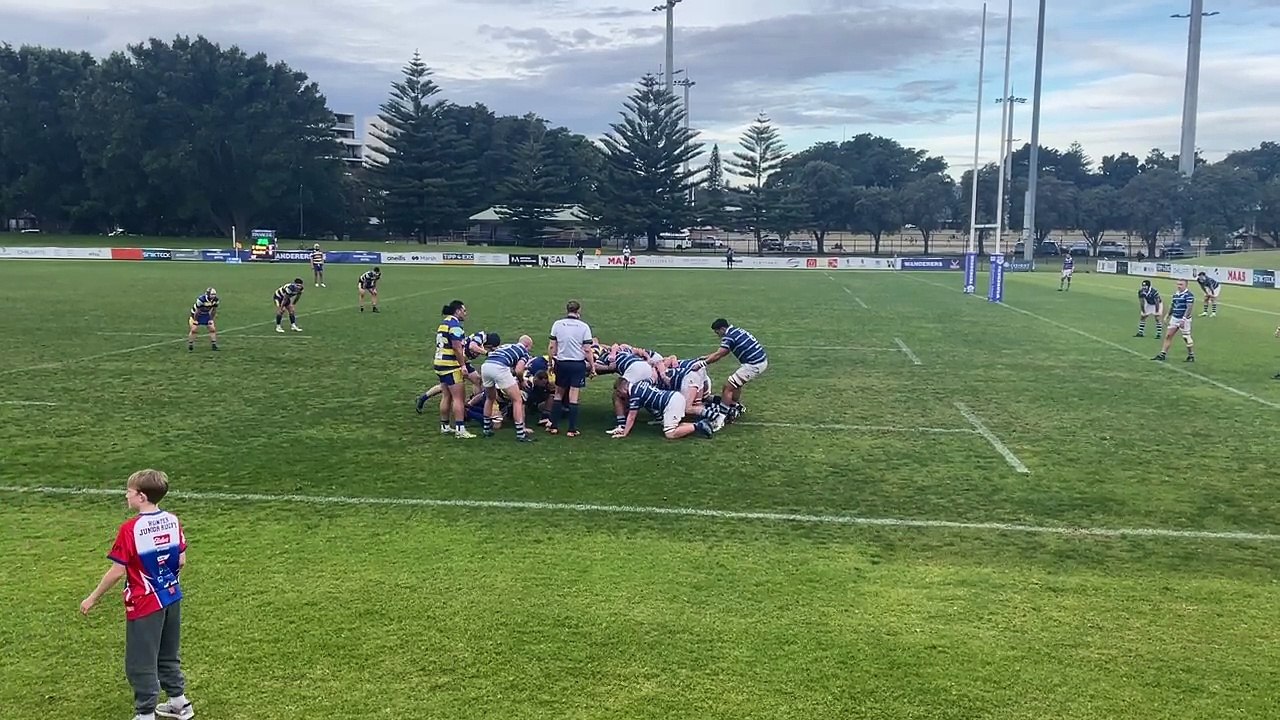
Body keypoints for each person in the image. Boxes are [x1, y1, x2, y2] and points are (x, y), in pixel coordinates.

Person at [80, 469, 194, 720]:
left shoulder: (131, 529)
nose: (126, 495)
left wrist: (93, 597)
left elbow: (117, 571)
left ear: (141, 497)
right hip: (172, 596)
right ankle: (179, 703)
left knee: (140, 660)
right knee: (168, 652)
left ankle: (145, 713)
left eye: (129, 492)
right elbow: (182, 560)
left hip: (144, 603)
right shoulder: (173, 520)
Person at [700, 319, 767, 422]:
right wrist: (706, 357)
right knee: (736, 384)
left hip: (754, 364)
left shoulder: (729, 337)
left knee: (728, 386)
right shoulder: (736, 331)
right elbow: (722, 352)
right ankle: (734, 405)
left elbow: (720, 354)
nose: (718, 335)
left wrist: (703, 363)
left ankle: (721, 416)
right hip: (760, 360)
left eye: (717, 332)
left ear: (722, 329)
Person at [548, 300, 594, 436]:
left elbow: (552, 346)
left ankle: (554, 426)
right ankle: (571, 429)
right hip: (577, 364)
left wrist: (550, 363)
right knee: (573, 397)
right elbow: (587, 349)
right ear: (578, 311)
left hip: (561, 363)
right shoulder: (584, 327)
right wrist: (592, 367)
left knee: (558, 394)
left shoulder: (557, 324)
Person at [609, 380, 714, 440]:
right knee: (674, 426)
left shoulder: (635, 394)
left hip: (672, 403)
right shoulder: (639, 384)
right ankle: (698, 424)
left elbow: (632, 416)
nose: (620, 396)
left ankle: (699, 426)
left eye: (619, 393)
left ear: (623, 389)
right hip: (674, 397)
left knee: (670, 433)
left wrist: (625, 433)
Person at [481, 334, 537, 442]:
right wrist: (521, 380)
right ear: (527, 346)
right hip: (499, 368)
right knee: (517, 400)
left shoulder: (506, 346)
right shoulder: (524, 352)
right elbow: (519, 370)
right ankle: (521, 434)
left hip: (486, 366)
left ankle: (486, 429)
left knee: (490, 398)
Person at [435, 300, 475, 438]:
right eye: (464, 310)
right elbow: (457, 347)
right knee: (458, 398)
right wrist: (463, 365)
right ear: (457, 311)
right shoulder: (455, 326)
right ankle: (460, 429)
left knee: (446, 395)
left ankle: (445, 425)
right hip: (451, 365)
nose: (465, 313)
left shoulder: (443, 324)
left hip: (439, 363)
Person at [1153, 279, 1196, 363]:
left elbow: (1189, 307)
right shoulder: (1176, 294)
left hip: (1184, 319)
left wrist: (1184, 319)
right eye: (1178, 284)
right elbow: (1172, 305)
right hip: (1175, 318)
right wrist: (1167, 315)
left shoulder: (1189, 295)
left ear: (1186, 285)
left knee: (1186, 337)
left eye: (1181, 284)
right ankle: (1162, 354)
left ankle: (1191, 355)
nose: (1179, 286)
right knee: (1168, 335)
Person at [187, 287, 219, 352]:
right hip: (196, 315)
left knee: (212, 329)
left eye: (214, 294)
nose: (213, 296)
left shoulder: (216, 300)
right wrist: (195, 320)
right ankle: (190, 344)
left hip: (206, 314)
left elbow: (214, 310)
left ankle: (214, 345)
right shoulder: (201, 300)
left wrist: (211, 319)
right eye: (212, 294)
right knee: (194, 330)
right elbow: (197, 311)